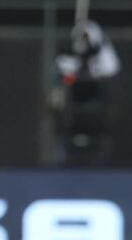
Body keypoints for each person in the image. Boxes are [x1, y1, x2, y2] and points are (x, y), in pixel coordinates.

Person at [47, 20, 122, 167]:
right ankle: (61, 159)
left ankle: (103, 160)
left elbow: (110, 70)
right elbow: (64, 73)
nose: (84, 42)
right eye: (81, 38)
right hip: (73, 106)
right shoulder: (69, 56)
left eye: (87, 38)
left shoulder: (104, 58)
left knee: (100, 135)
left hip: (96, 106)